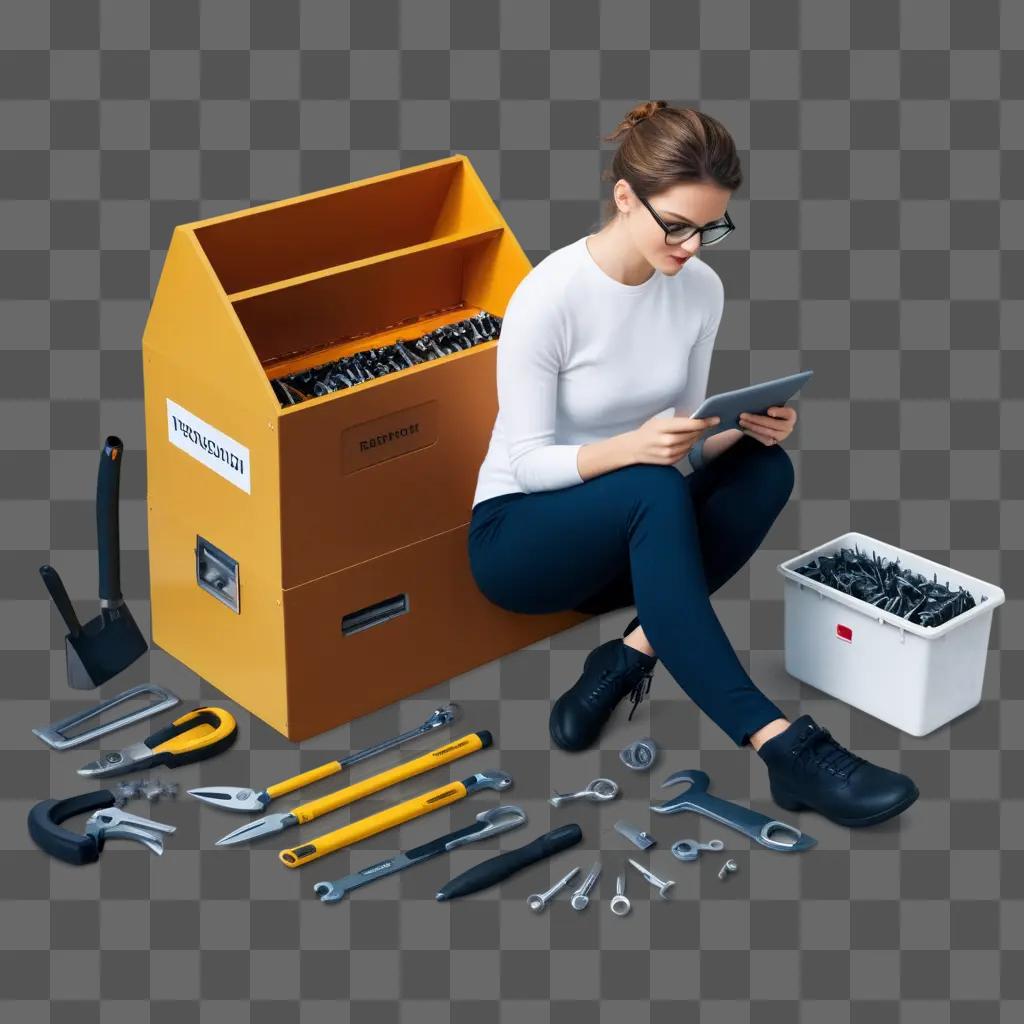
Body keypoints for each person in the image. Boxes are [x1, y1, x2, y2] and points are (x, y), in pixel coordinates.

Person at [467, 101, 918, 829]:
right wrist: (634, 450)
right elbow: (527, 464)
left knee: (767, 470)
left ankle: (627, 658)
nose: (692, 247)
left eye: (711, 228)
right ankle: (784, 747)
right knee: (648, 487)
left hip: (634, 530)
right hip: (520, 542)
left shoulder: (699, 291)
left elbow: (687, 438)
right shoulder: (548, 297)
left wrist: (741, 430)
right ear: (623, 197)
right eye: (676, 225)